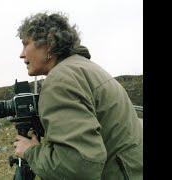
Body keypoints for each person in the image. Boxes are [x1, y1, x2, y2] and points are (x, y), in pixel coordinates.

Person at [12, 12, 143, 180]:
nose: (21, 54)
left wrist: (30, 152)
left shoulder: (61, 79)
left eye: (25, 44)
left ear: (49, 42)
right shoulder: (84, 67)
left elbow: (79, 166)